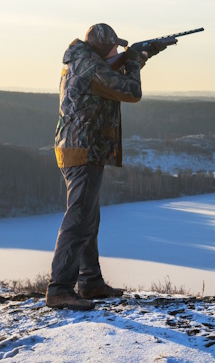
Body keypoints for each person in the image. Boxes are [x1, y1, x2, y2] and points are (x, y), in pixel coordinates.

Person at [46, 23, 163, 310]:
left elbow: (112, 80)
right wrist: (133, 61)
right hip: (83, 150)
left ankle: (89, 282)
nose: (117, 51)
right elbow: (131, 91)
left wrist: (137, 59)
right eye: (114, 48)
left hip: (81, 148)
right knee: (78, 220)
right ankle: (59, 288)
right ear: (101, 49)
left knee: (88, 218)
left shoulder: (84, 61)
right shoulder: (90, 67)